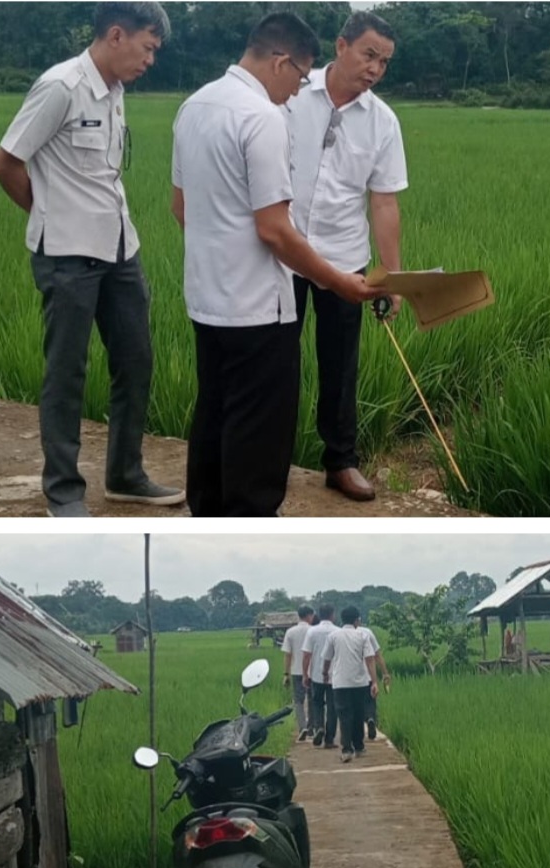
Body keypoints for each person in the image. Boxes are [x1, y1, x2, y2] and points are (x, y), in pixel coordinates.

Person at [171, 13, 377, 518]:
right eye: (300, 77)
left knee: (214, 411)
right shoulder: (260, 117)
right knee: (259, 426)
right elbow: (276, 229)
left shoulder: (194, 106)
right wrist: (337, 282)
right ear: (281, 61)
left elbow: (181, 208)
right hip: (260, 307)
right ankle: (251, 512)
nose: (296, 91)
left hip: (207, 299)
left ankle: (208, 512)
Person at [0, 2, 185, 519]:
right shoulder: (61, 87)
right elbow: (4, 161)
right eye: (147, 47)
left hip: (121, 248)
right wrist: (49, 214)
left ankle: (125, 474)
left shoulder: (116, 91)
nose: (150, 60)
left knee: (136, 360)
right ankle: (63, 490)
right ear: (116, 35)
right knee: (67, 371)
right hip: (68, 256)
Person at [287, 11, 409, 504]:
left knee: (340, 365)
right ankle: (269, 456)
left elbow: (383, 201)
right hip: (283, 251)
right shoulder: (290, 95)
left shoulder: (383, 121)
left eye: (384, 61)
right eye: (368, 54)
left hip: (344, 257)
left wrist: (393, 278)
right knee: (275, 359)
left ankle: (341, 461)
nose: (376, 68)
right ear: (341, 46)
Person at [322, 606, 379, 764]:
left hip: (340, 682)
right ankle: (359, 745)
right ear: (357, 620)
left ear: (342, 619)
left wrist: (325, 673)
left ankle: (347, 749)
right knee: (359, 714)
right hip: (360, 682)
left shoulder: (333, 636)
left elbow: (327, 658)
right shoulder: (362, 635)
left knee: (344, 715)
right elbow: (369, 659)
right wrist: (374, 681)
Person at [302, 604, 338, 749]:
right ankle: (329, 739)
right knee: (332, 707)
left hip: (316, 675)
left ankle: (319, 728)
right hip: (334, 676)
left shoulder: (312, 632)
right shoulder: (338, 632)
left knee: (316, 703)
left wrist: (305, 674)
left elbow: (306, 655)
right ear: (332, 615)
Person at [282, 605, 314, 741]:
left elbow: (288, 655)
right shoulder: (313, 631)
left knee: (299, 701)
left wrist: (286, 674)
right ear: (308, 616)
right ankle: (312, 727)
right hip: (313, 671)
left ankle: (302, 727)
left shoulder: (290, 632)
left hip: (296, 671)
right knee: (313, 700)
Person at [357, 619, 392, 741]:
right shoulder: (367, 632)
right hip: (368, 674)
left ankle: (360, 727)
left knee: (356, 704)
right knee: (370, 700)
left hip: (352, 677)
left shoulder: (342, 633)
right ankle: (371, 718)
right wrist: (385, 673)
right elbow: (377, 654)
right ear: (358, 620)